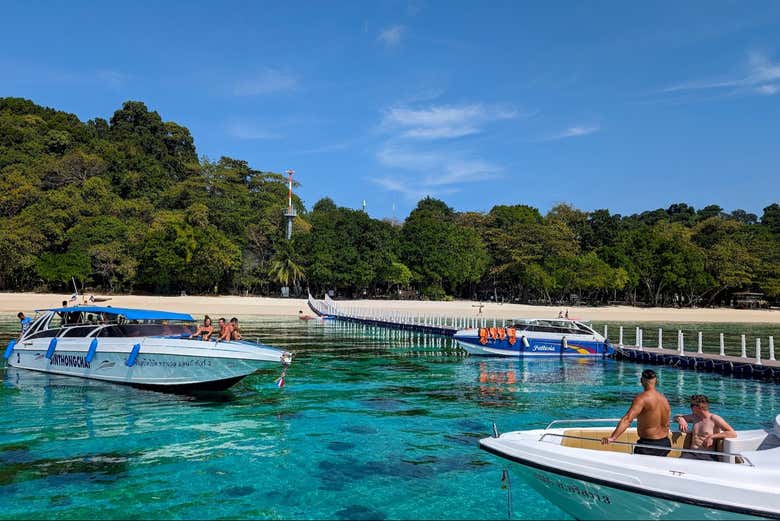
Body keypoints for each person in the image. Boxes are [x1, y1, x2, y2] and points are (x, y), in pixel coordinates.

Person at [602, 369, 671, 457]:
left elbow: (627, 419)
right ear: (656, 381)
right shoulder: (664, 399)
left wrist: (613, 437)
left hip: (649, 446)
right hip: (665, 443)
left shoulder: (642, 398)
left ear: (641, 380)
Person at [674, 394, 736, 460]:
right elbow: (675, 417)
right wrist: (681, 419)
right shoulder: (694, 417)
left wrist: (712, 436)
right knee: (678, 464)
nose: (691, 407)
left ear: (697, 407)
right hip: (692, 453)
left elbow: (732, 433)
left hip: (708, 454)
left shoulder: (714, 418)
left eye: (692, 405)